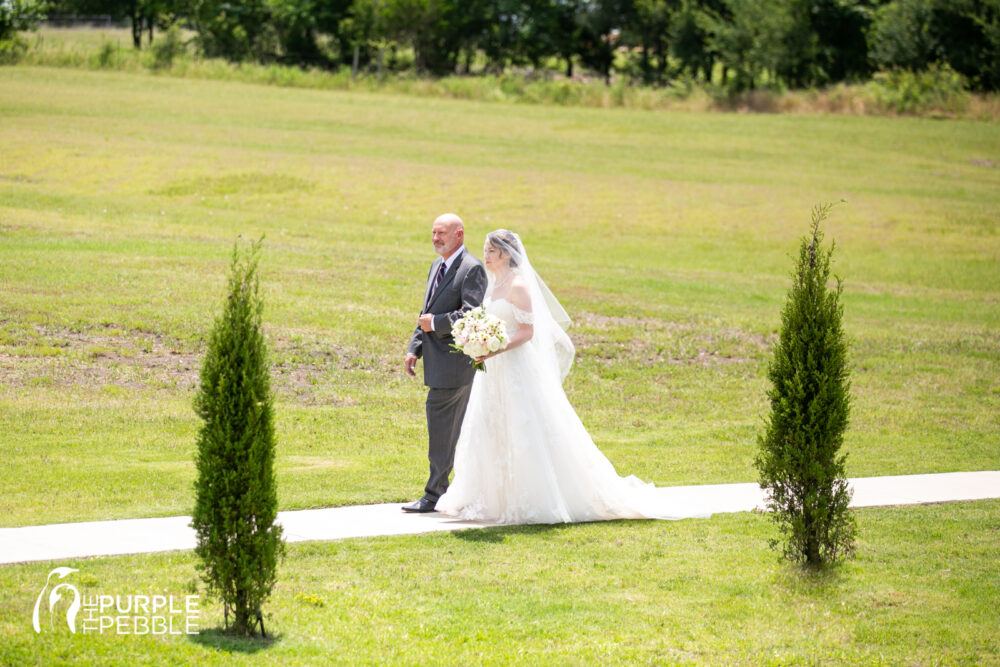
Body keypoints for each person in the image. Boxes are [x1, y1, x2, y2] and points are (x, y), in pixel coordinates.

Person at [435, 230, 706, 524]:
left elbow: (527, 333)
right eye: (485, 250)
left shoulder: (519, 286)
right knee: (491, 426)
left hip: (514, 366)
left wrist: (495, 348)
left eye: (491, 250)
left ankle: (536, 496)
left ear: (506, 254)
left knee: (524, 426)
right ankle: (490, 496)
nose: (485, 255)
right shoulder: (493, 285)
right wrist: (477, 340)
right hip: (492, 370)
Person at [402, 213, 487, 513]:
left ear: (459, 236)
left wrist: (435, 323)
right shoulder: (436, 266)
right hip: (436, 364)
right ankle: (446, 490)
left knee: (441, 426)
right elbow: (425, 311)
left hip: (455, 366)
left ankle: (434, 493)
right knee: (447, 428)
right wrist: (415, 348)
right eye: (434, 233)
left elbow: (471, 314)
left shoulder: (472, 268)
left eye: (442, 234)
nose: (436, 238)